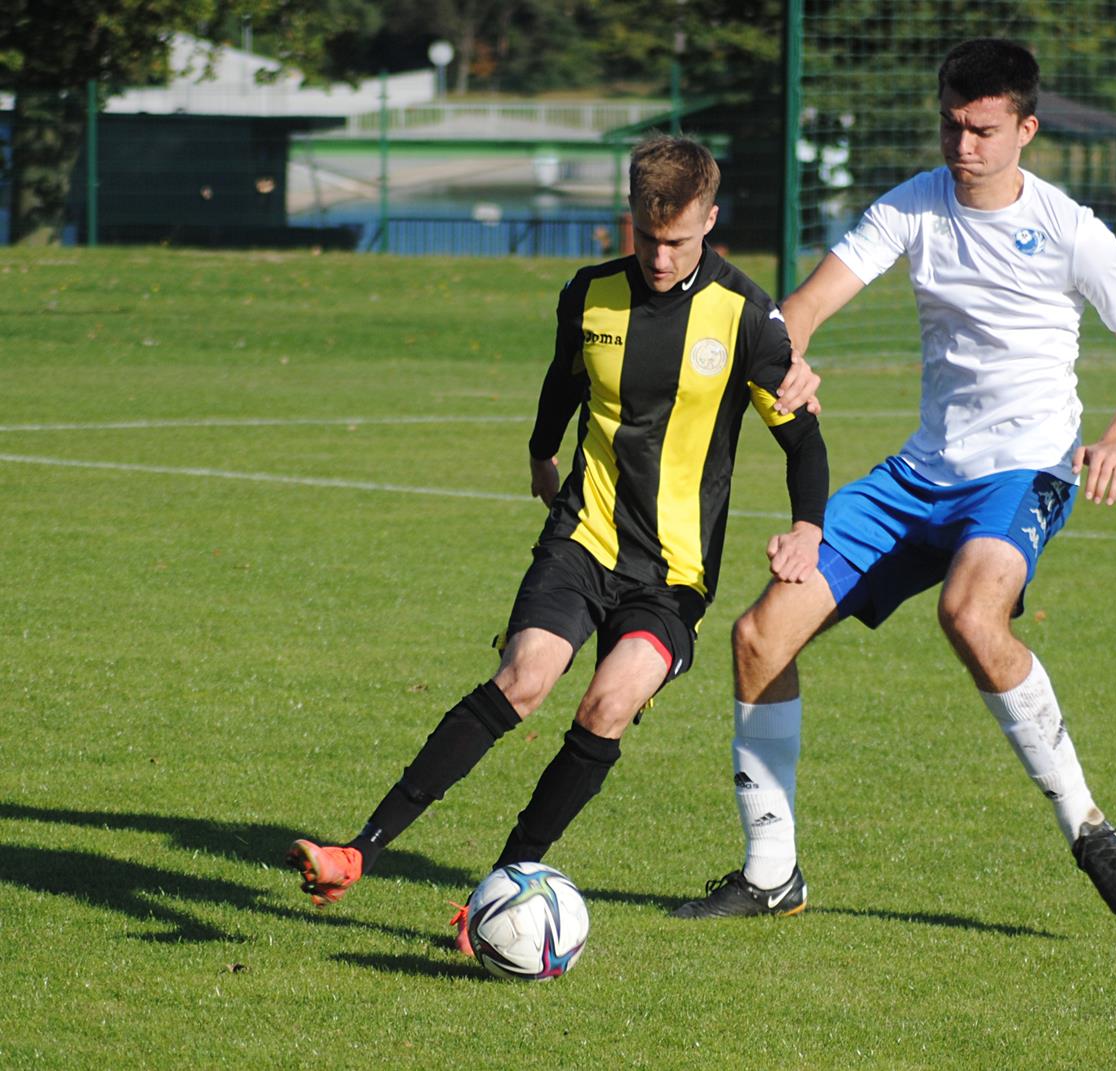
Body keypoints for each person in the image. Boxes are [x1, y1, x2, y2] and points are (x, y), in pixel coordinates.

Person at [673, 38, 1116, 922]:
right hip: (918, 475)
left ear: (1026, 127)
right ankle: (771, 873)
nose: (963, 147)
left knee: (968, 613)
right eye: (951, 125)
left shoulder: (1071, 230)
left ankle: (1085, 823)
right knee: (758, 636)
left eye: (983, 130)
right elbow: (804, 307)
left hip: (1024, 471)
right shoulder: (910, 208)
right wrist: (790, 360)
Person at [286, 135, 828, 950]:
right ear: (631, 220)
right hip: (584, 537)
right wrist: (542, 453)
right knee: (524, 676)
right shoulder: (589, 294)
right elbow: (564, 382)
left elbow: (803, 436)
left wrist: (807, 527)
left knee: (606, 705)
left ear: (710, 222)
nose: (658, 255)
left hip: (673, 575)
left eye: (678, 241)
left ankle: (493, 895)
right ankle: (357, 851)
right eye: (647, 237)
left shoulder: (747, 314)